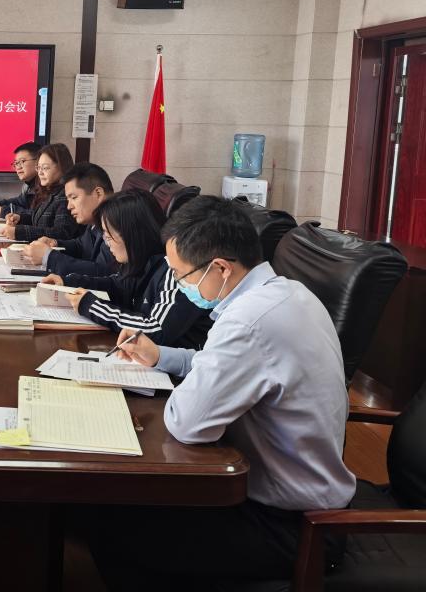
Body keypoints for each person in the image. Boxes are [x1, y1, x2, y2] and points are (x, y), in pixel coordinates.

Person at [89, 196, 355, 589]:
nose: (179, 286)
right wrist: (160, 356)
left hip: (295, 526)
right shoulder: (288, 294)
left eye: (180, 275)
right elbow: (221, 365)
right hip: (308, 499)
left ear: (220, 268)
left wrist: (191, 384)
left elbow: (188, 424)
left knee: (113, 526)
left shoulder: (248, 321)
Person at [43, 189, 210, 350]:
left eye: (109, 235)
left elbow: (155, 330)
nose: (107, 243)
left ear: (132, 234)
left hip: (177, 365)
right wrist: (67, 282)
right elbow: (117, 286)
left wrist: (92, 306)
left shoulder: (175, 269)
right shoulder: (141, 261)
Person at [24, 161, 116, 277]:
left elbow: (104, 272)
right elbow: (81, 246)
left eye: (74, 197)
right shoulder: (96, 219)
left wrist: (49, 257)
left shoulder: (117, 220)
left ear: (98, 193)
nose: (69, 206)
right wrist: (55, 243)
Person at [1, 142, 81, 242]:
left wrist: (20, 232)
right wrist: (20, 218)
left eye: (45, 168)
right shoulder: (48, 190)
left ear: (62, 167)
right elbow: (41, 220)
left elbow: (61, 233)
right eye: (38, 168)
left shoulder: (66, 195)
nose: (40, 173)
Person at [0, 142, 41, 219]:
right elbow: (19, 202)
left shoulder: (46, 186)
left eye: (22, 161)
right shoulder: (28, 185)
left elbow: (38, 217)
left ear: (39, 161)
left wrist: (3, 211)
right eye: (16, 163)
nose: (18, 167)